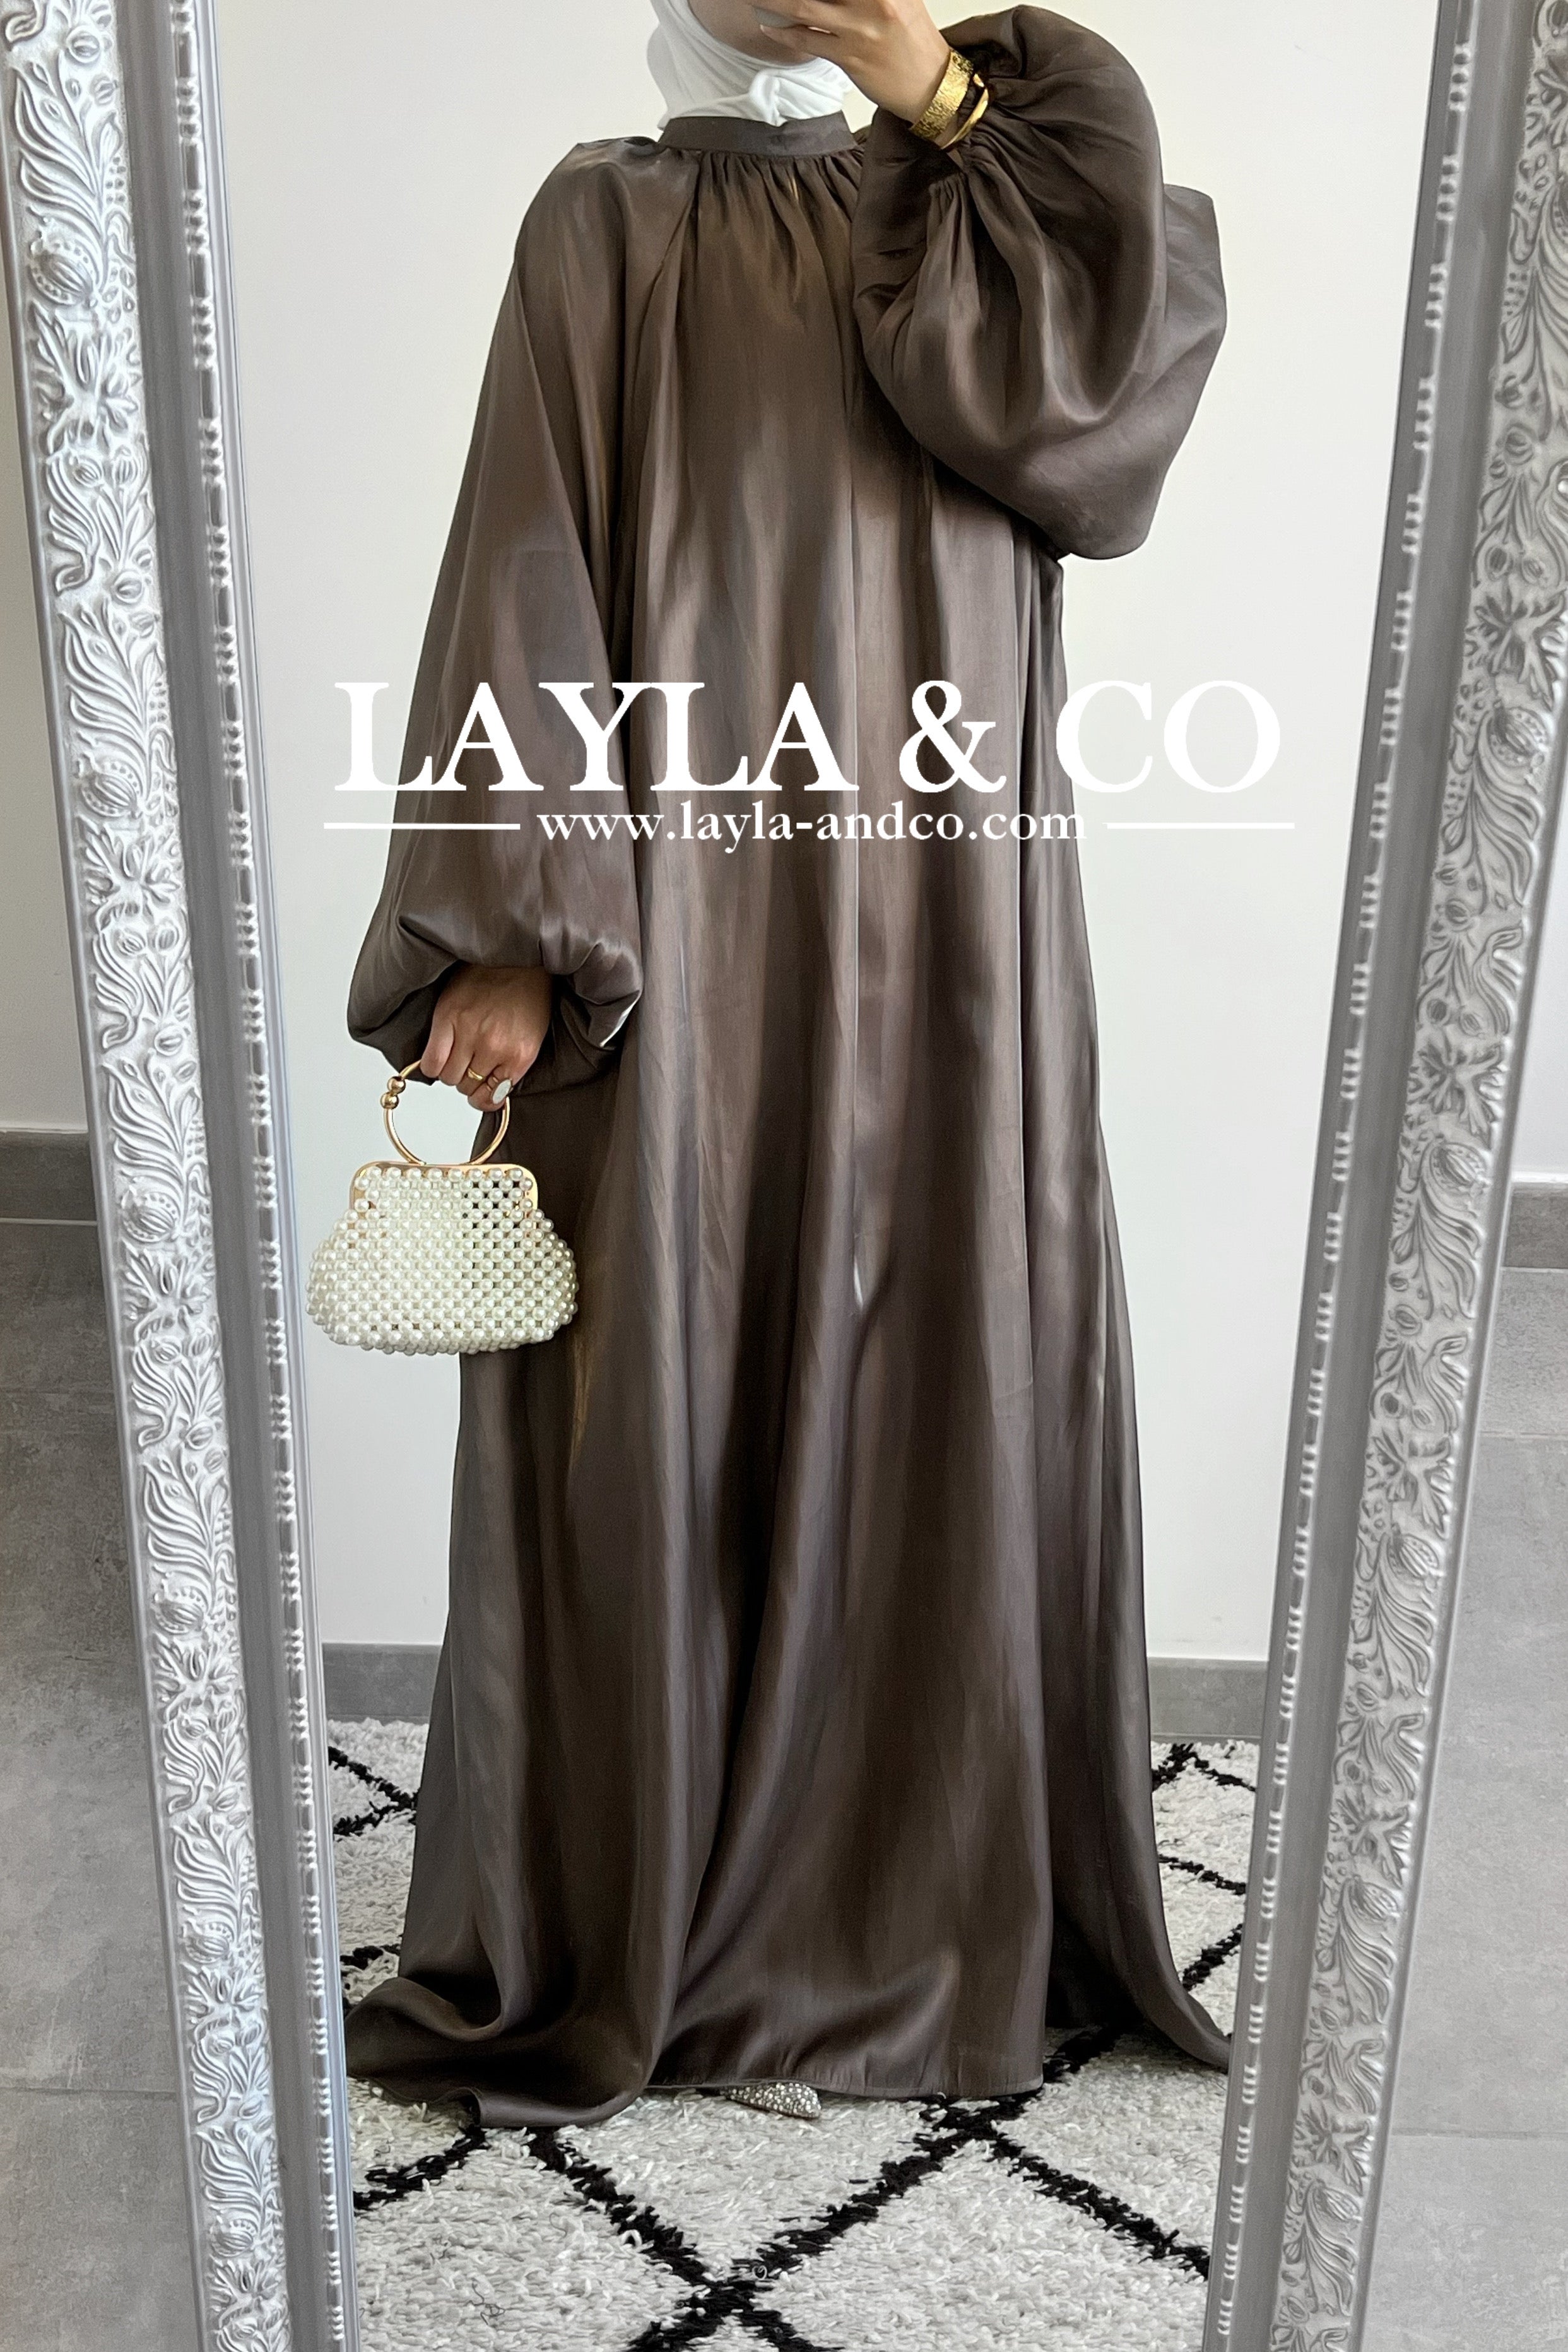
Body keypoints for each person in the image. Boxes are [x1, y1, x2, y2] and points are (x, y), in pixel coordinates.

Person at [344, 0, 1229, 2127]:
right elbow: (528, 559)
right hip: (688, 876)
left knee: (953, 1321)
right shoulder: (606, 223)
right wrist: (517, 935)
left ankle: (910, 1897)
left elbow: (1102, 433)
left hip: (947, 882)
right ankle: (675, 1898)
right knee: (674, 1321)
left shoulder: (1006, 198)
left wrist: (935, 95)